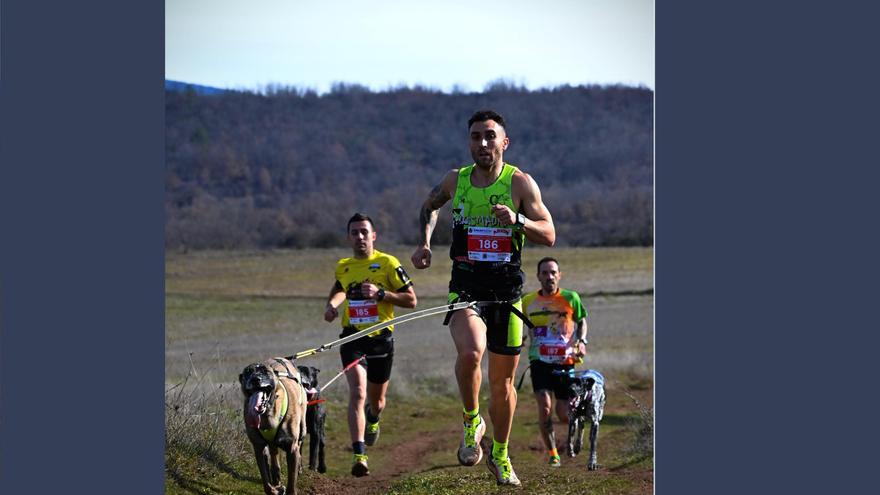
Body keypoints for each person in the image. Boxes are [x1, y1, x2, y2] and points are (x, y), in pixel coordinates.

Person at [411, 109, 555, 486]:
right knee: (471, 351)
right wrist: (425, 244)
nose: (483, 143)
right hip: (466, 289)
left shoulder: (520, 184)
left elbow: (549, 233)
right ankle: (472, 420)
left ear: (504, 142)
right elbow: (430, 206)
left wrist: (518, 221)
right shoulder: (455, 180)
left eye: (490, 136)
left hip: (506, 294)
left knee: (502, 386)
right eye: (476, 137)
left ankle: (502, 454)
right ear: (469, 142)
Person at [324, 213, 417, 477]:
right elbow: (340, 288)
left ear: (373, 235)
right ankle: (359, 454)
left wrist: (381, 294)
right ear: (348, 237)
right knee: (358, 392)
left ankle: (373, 419)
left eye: (365, 232)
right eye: (355, 232)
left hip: (381, 339)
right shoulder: (344, 265)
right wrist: (331, 306)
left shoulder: (388, 263)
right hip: (352, 338)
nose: (360, 237)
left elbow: (411, 300)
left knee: (376, 402)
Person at [522, 257, 589, 467]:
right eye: (545, 273)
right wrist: (520, 338)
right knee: (544, 406)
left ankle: (577, 425)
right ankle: (553, 453)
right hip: (539, 359)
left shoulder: (571, 298)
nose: (549, 276)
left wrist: (582, 340)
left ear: (559, 275)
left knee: (563, 413)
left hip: (565, 360)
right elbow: (519, 324)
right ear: (538, 276)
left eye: (553, 272)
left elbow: (582, 320)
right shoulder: (528, 301)